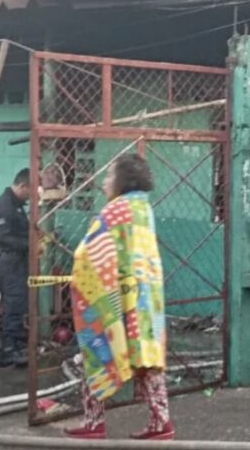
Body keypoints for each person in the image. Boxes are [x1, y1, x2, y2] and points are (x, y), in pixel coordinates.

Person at [64, 154, 174, 440]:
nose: (104, 183)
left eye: (109, 176)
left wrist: (81, 275)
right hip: (147, 298)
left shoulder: (116, 210)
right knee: (147, 359)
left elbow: (88, 252)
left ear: (122, 180)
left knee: (97, 349)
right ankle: (161, 421)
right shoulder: (143, 208)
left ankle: (93, 421)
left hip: (119, 299)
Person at [0, 168, 31, 366]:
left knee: (18, 301)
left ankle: (16, 343)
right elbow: (2, 237)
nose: (31, 196)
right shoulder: (5, 206)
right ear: (23, 186)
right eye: (30, 191)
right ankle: (10, 349)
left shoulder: (17, 204)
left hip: (16, 260)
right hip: (8, 260)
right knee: (13, 302)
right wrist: (29, 244)